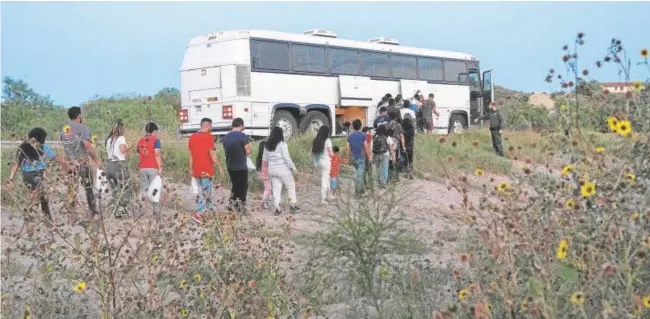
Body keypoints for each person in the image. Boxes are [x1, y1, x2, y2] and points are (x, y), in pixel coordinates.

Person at [6, 128, 67, 221]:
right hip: (37, 176)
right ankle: (30, 220)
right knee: (36, 198)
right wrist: (68, 164)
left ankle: (48, 222)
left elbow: (15, 165)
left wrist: (11, 179)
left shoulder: (22, 147)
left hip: (26, 177)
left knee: (43, 198)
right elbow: (57, 158)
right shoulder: (43, 147)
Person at [60, 106, 102, 218]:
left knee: (72, 188)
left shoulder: (64, 130)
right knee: (88, 188)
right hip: (82, 163)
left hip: (70, 164)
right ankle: (93, 212)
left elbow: (66, 148)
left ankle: (71, 214)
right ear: (79, 116)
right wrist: (97, 160)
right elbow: (88, 146)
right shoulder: (83, 129)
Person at [189, 118, 224, 224]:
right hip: (206, 169)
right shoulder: (209, 136)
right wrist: (219, 166)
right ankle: (198, 213)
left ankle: (209, 211)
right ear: (207, 126)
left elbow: (190, 155)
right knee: (205, 193)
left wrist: (191, 168)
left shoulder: (192, 137)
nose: (211, 128)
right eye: (211, 126)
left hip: (196, 169)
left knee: (205, 191)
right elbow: (212, 154)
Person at [262, 126, 298, 215]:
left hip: (272, 170)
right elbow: (287, 158)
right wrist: (293, 168)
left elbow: (265, 160)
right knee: (290, 186)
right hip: (283, 169)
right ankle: (292, 206)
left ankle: (277, 209)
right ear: (280, 134)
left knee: (276, 189)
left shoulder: (266, 145)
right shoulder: (282, 144)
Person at [223, 117, 253, 213]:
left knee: (235, 186)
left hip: (230, 166)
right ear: (241, 125)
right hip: (240, 166)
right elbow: (248, 151)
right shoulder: (242, 136)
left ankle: (231, 205)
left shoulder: (226, 136)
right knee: (243, 187)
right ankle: (241, 207)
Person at [104, 120, 133, 218]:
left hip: (109, 165)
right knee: (126, 187)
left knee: (115, 189)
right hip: (119, 164)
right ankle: (121, 208)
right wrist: (129, 146)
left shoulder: (108, 140)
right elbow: (122, 150)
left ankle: (115, 208)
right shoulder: (121, 138)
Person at [137, 122, 163, 217]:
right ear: (154, 131)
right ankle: (155, 211)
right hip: (153, 167)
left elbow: (139, 155)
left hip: (142, 168)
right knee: (155, 189)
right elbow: (157, 154)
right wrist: (160, 167)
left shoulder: (140, 141)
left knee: (144, 188)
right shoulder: (156, 140)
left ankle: (143, 211)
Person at [345, 119, 371, 195]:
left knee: (360, 173)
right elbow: (366, 147)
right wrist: (369, 156)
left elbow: (347, 148)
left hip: (353, 157)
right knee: (360, 174)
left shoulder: (349, 136)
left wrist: (347, 158)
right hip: (360, 157)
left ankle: (362, 190)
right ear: (360, 126)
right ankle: (358, 192)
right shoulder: (363, 135)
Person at [311, 125, 334, 204]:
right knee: (324, 179)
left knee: (326, 178)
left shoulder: (315, 140)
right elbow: (331, 154)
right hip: (326, 162)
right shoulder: (327, 141)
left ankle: (329, 194)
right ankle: (323, 199)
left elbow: (313, 153)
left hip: (318, 163)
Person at [386, 112, 406, 180]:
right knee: (396, 160)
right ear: (395, 118)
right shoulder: (398, 125)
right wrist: (403, 146)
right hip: (396, 145)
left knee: (389, 161)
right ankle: (396, 176)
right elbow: (402, 136)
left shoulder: (387, 125)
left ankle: (389, 177)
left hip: (388, 145)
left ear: (389, 117)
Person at [255, 141, 273, 209]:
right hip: (266, 174)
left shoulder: (259, 156)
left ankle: (267, 202)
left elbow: (258, 167)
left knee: (268, 188)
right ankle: (262, 203)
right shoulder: (266, 156)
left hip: (262, 174)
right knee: (268, 188)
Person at [402, 114, 416, 179]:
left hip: (404, 146)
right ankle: (411, 172)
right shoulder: (411, 128)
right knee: (410, 159)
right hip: (410, 145)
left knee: (405, 159)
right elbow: (413, 137)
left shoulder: (402, 129)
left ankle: (407, 173)